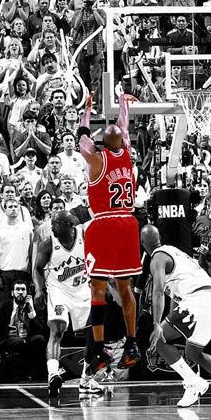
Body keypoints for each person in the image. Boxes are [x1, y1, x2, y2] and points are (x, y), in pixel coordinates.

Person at [143, 224, 211, 406]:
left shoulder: (157, 258)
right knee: (194, 353)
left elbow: (158, 290)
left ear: (142, 243)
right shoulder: (174, 252)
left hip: (198, 300)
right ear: (159, 238)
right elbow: (176, 297)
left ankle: (194, 383)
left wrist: (156, 324)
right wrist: (169, 320)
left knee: (158, 340)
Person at [76, 90, 142, 377]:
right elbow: (124, 126)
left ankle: (100, 349)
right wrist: (123, 103)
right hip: (128, 224)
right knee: (125, 287)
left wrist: (87, 110)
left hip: (104, 224)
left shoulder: (95, 159)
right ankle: (132, 343)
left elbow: (81, 135)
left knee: (98, 288)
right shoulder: (126, 153)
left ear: (101, 143)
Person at [32, 211, 94, 397]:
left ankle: (86, 379)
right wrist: (38, 290)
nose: (51, 227)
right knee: (57, 330)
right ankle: (53, 374)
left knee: (93, 334)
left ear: (68, 225)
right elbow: (37, 268)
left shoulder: (85, 236)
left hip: (83, 290)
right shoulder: (48, 243)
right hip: (58, 290)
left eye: (55, 224)